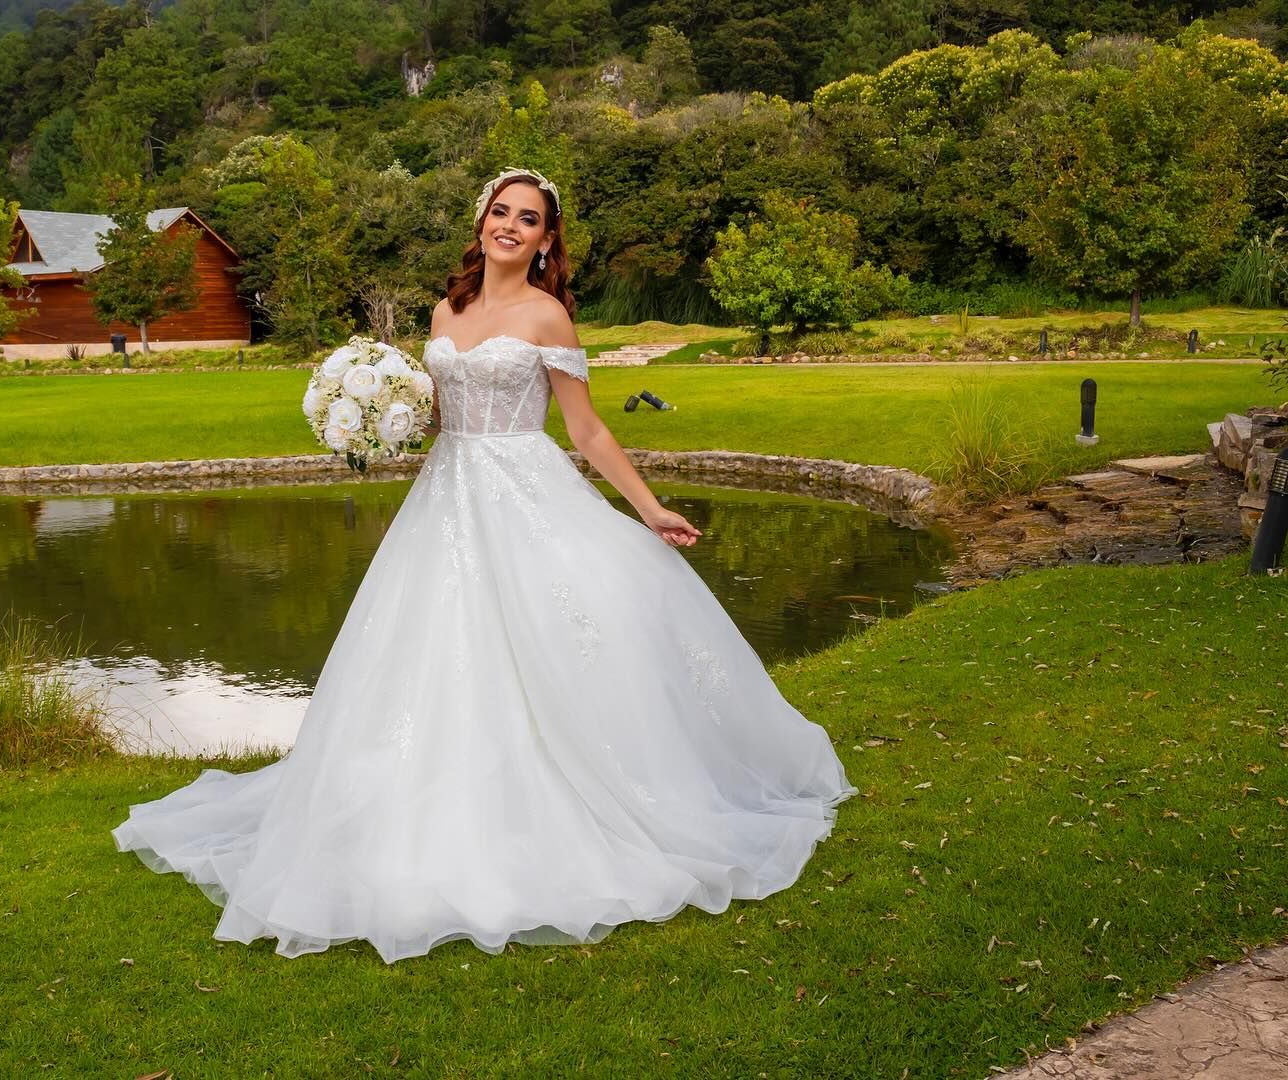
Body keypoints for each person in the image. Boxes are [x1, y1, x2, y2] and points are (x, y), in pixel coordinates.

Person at [112, 167, 857, 963]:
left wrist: (649, 507)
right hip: (446, 497)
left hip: (523, 492)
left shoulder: (549, 316)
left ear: (545, 239)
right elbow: (439, 415)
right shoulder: (447, 309)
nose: (510, 226)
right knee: (427, 655)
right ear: (483, 223)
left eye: (528, 219)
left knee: (550, 646)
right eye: (501, 212)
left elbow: (587, 430)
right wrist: (373, 415)